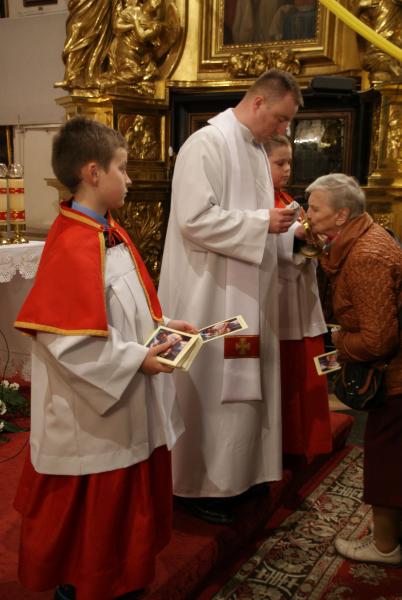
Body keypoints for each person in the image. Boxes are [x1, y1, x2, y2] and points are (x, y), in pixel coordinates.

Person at [13, 117, 196, 600]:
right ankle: (85, 584)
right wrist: (138, 360)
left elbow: (124, 310)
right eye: (123, 168)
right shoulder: (74, 242)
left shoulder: (108, 231)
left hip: (122, 393)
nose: (130, 179)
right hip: (93, 410)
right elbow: (69, 342)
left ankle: (119, 578)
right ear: (93, 173)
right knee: (95, 510)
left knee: (126, 501)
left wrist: (163, 325)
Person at [158, 69, 303, 524]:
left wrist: (289, 234)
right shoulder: (206, 145)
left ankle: (241, 475)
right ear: (258, 102)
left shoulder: (256, 150)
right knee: (207, 385)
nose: (283, 129)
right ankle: (196, 483)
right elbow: (194, 220)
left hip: (245, 292)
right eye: (281, 118)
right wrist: (264, 223)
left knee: (244, 385)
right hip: (208, 293)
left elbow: (256, 221)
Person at [306, 173, 402, 566]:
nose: (307, 215)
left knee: (385, 458)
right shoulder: (361, 238)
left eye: (314, 209)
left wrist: (340, 341)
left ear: (342, 215)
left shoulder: (365, 256)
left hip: (396, 376)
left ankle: (384, 547)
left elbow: (378, 341)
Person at [265, 135, 332, 459]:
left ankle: (311, 440)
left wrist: (314, 238)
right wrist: (298, 237)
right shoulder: (261, 205)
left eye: (289, 162)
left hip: (301, 299)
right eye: (280, 163)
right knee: (290, 376)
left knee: (310, 368)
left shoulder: (287, 199)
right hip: (282, 303)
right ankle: (293, 444)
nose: (288, 169)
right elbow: (268, 250)